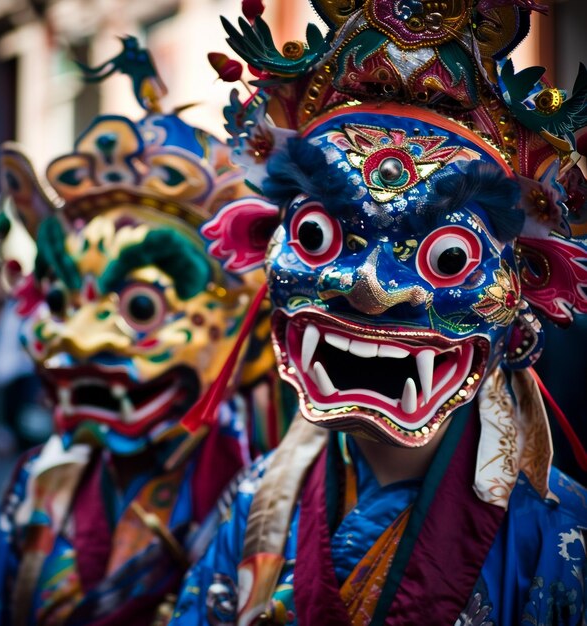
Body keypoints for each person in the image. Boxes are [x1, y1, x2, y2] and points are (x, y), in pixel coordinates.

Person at [168, 1, 587, 624]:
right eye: (318, 236)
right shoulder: (257, 503)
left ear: (525, 282)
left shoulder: (556, 532)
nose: (371, 288)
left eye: (447, 256)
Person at [0, 38, 283, 626]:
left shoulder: (271, 497)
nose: (74, 336)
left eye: (141, 305)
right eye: (62, 298)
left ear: (249, 326)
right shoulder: (43, 483)